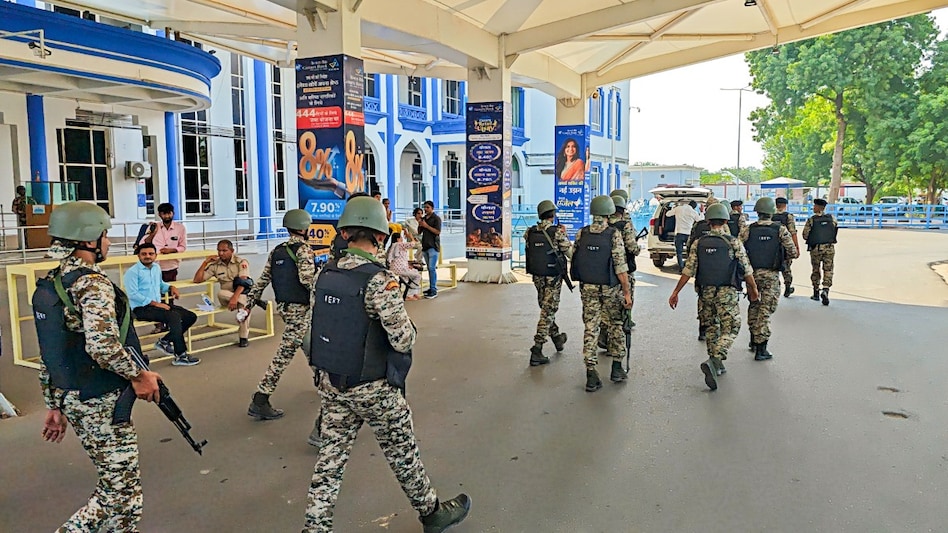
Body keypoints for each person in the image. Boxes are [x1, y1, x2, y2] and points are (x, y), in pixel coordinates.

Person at [303, 196, 470, 532]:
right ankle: (433, 514)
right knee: (403, 455)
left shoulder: (326, 273)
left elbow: (311, 333)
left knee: (329, 464)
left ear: (346, 232)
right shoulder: (379, 280)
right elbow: (403, 340)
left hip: (334, 383)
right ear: (380, 236)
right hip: (374, 388)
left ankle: (315, 527)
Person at [37, 201, 162, 531]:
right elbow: (102, 346)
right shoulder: (91, 284)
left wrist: (54, 404)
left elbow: (52, 351)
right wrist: (140, 375)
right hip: (100, 401)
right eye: (104, 235)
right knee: (120, 496)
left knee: (119, 494)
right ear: (88, 241)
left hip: (74, 397)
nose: (108, 241)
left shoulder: (52, 283)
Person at [668, 203, 758, 391]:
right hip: (727, 292)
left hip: (705, 292)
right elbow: (747, 269)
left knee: (711, 326)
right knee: (732, 326)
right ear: (725, 221)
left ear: (708, 222)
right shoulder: (733, 242)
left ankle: (716, 363)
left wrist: (676, 292)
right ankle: (716, 358)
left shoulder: (698, 243)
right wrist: (754, 289)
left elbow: (688, 270)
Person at [244, 209, 316, 420]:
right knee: (285, 353)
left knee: (310, 344)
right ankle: (261, 398)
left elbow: (263, 280)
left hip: (284, 307)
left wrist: (248, 304)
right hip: (300, 309)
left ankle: (325, 382)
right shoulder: (304, 250)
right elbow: (307, 280)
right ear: (303, 228)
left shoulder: (277, 250)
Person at [570, 195, 633, 392]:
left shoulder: (582, 233)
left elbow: (574, 256)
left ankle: (591, 372)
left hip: (588, 287)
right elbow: (620, 266)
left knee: (591, 327)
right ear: (608, 212)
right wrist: (627, 293)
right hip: (610, 288)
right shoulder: (613, 234)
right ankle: (616, 367)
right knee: (615, 324)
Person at [740, 197, 798, 361]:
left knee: (754, 305)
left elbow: (737, 249)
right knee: (765, 310)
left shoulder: (748, 230)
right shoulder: (779, 229)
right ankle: (761, 348)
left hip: (751, 274)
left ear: (757, 212)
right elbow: (792, 252)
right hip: (771, 275)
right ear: (772, 212)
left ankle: (753, 339)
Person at [124, 243, 199, 366]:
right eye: (144, 254)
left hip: (156, 305)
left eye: (150, 254)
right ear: (138, 256)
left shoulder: (156, 268)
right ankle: (181, 355)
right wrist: (156, 304)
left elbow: (160, 285)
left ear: (155, 255)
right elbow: (133, 294)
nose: (147, 256)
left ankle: (165, 341)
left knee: (190, 316)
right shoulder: (132, 272)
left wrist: (171, 287)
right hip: (141, 308)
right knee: (173, 317)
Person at [524, 200, 573, 366]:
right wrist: (564, 235)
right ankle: (537, 348)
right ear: (553, 215)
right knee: (548, 310)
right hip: (553, 277)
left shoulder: (529, 232)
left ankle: (557, 337)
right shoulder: (557, 232)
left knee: (546, 308)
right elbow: (570, 253)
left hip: (537, 276)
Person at [193, 239, 253, 346]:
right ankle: (252, 303)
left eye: (224, 250)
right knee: (221, 293)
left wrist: (235, 298)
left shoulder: (241, 262)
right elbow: (197, 279)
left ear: (232, 250)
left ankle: (243, 338)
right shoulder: (215, 265)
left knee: (242, 307)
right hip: (226, 297)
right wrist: (205, 262)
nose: (221, 253)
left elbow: (243, 283)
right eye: (219, 251)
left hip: (240, 293)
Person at [687, 198, 718, 341]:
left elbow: (690, 243)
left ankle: (703, 329)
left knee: (703, 298)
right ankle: (714, 328)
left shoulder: (698, 225)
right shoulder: (723, 227)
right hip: (719, 269)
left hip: (702, 268)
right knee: (719, 299)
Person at [802, 198, 838, 305]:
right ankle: (826, 289)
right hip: (829, 248)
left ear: (818, 207)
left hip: (816, 248)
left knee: (816, 269)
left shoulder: (811, 220)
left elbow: (805, 235)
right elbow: (834, 230)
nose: (813, 207)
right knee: (828, 269)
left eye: (814, 206)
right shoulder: (832, 218)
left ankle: (816, 292)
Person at [141, 203, 187, 282]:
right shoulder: (154, 226)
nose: (167, 216)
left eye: (169, 213)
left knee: (170, 290)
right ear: (159, 214)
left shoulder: (180, 228)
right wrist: (153, 234)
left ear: (173, 213)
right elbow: (143, 244)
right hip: (154, 265)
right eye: (164, 214)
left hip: (172, 265)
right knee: (155, 290)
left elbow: (183, 247)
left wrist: (171, 250)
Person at [773, 197, 799, 297]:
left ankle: (775, 287)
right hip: (785, 246)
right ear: (785, 205)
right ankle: (788, 287)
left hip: (773, 246)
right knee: (786, 267)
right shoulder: (788, 216)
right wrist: (796, 247)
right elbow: (793, 233)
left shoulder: (771, 216)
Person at [388, 230, 423, 300]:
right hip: (400, 269)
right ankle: (409, 294)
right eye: (401, 237)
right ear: (398, 239)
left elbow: (401, 258)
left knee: (414, 272)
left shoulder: (393, 246)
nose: (402, 239)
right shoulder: (398, 244)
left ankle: (414, 293)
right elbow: (412, 244)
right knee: (417, 276)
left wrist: (408, 265)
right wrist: (410, 236)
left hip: (397, 268)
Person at [667, 199, 702, 271]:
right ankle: (689, 267)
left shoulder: (678, 208)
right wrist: (702, 212)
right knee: (689, 251)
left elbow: (667, 214)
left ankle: (681, 267)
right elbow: (700, 221)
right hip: (688, 234)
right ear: (694, 207)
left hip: (679, 233)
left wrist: (674, 208)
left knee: (679, 252)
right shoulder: (693, 212)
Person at [418, 200, 442, 299]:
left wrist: (426, 226)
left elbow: (437, 232)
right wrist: (420, 224)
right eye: (425, 207)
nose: (426, 209)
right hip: (425, 246)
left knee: (432, 268)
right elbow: (419, 232)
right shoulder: (424, 219)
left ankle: (434, 289)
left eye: (427, 207)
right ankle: (430, 288)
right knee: (428, 268)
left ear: (432, 208)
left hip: (433, 246)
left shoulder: (436, 219)